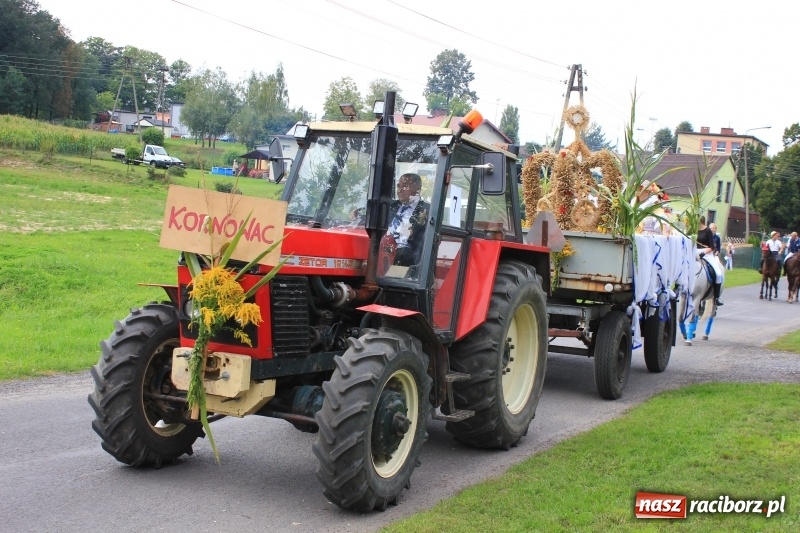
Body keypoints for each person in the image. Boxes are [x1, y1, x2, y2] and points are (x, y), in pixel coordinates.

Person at [387, 172, 429, 269]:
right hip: (386, 249)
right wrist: (359, 218)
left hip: (407, 256)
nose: (400, 190)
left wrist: (412, 233)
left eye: (405, 186)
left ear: (417, 189)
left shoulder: (427, 210)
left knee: (403, 253)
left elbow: (427, 238)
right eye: (398, 186)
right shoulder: (392, 206)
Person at [697, 216, 724, 306]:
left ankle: (716, 297)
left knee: (718, 274)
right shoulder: (693, 230)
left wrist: (704, 253)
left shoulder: (708, 230)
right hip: (694, 252)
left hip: (707, 253)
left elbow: (712, 247)